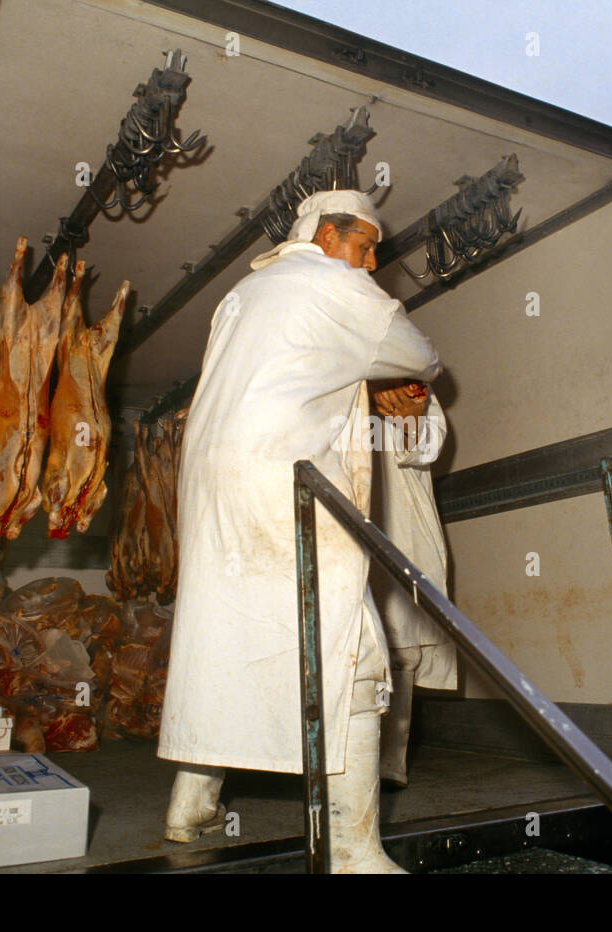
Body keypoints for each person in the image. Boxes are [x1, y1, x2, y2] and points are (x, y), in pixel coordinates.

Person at [157, 189, 441, 873]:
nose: (372, 261)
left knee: (227, 639)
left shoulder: (240, 297)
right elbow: (420, 355)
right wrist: (396, 381)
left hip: (215, 484)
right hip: (285, 483)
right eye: (364, 245)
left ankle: (192, 802)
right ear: (321, 235)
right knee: (354, 650)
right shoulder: (335, 285)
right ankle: (353, 851)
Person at [369, 386, 458, 789]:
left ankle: (391, 762)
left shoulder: (409, 386)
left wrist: (408, 421)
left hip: (398, 527)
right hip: (340, 524)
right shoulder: (332, 377)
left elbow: (426, 447)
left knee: (401, 648)